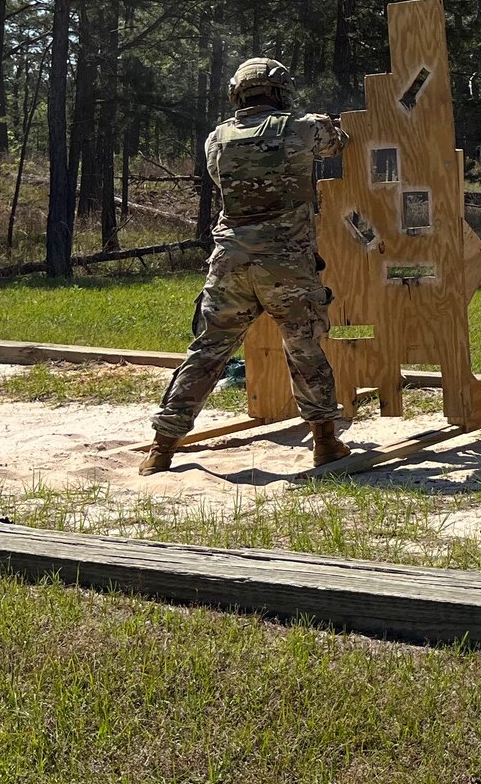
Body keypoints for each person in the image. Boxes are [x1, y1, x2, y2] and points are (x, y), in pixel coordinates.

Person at [142, 57, 354, 473]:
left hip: (231, 261)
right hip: (286, 263)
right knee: (305, 348)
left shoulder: (216, 138)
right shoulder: (304, 127)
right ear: (281, 91)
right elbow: (339, 143)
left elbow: (226, 184)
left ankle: (162, 447)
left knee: (207, 352)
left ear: (237, 93)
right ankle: (326, 442)